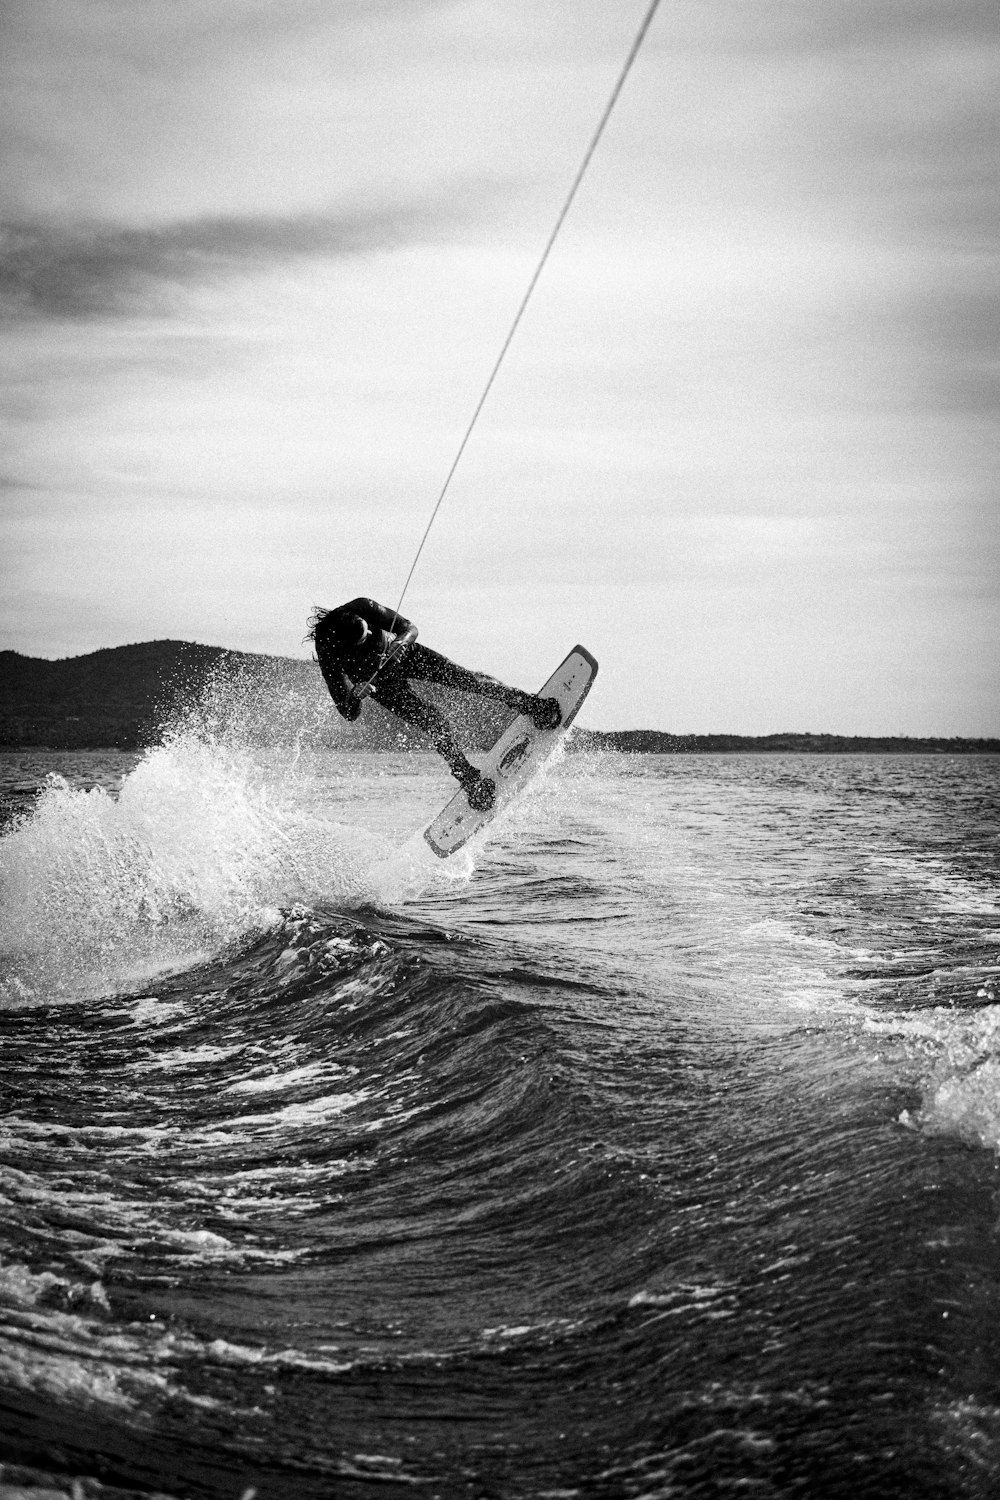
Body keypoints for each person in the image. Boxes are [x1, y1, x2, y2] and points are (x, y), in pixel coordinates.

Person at [308, 597, 561, 811]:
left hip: (404, 655)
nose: (372, 633)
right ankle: (469, 780)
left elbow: (410, 628)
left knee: (470, 680)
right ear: (347, 647)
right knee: (433, 721)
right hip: (381, 683)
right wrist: (356, 694)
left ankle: (531, 706)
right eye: (365, 639)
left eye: (368, 629)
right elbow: (348, 712)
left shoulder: (362, 606)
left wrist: (400, 642)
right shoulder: (329, 652)